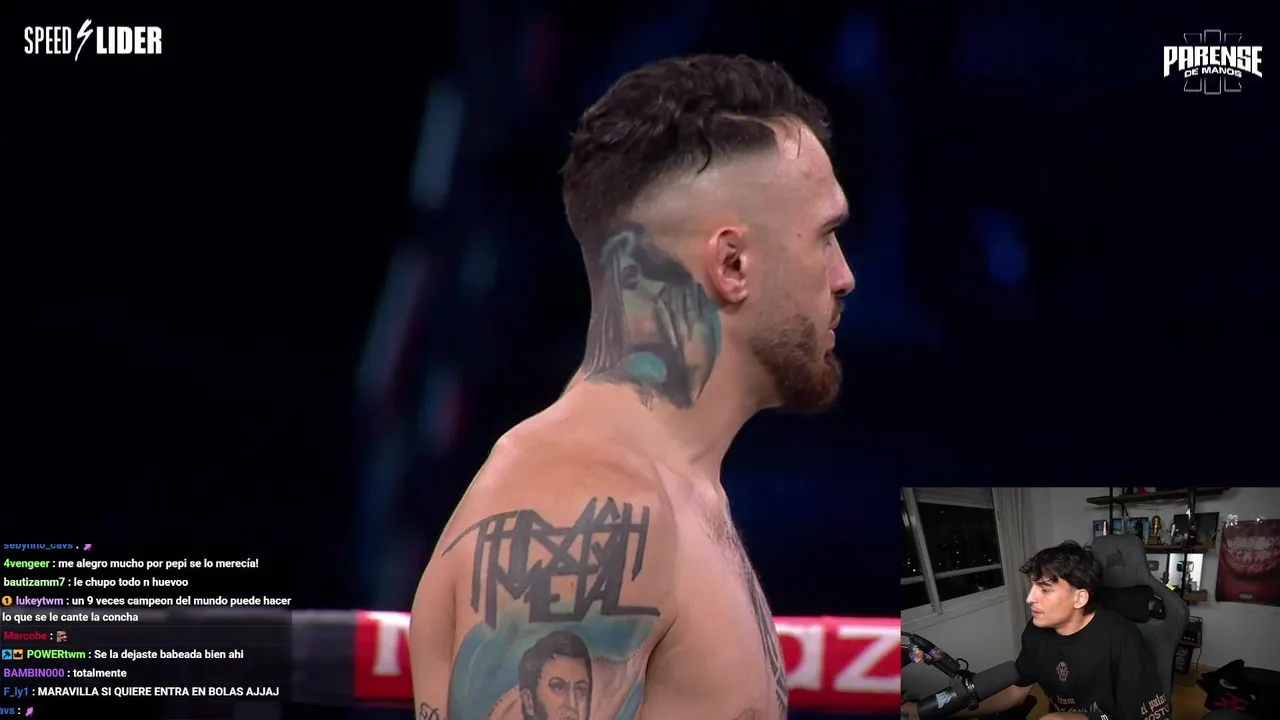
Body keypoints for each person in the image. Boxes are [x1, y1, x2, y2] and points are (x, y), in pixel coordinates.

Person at [409, 54, 854, 720]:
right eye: (826, 237)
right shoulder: (585, 505)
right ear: (732, 264)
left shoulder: (666, 492)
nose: (844, 276)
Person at [902, 541, 1168, 720]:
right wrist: (933, 711)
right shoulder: (1036, 633)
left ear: (1079, 598)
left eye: (1045, 589)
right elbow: (1015, 694)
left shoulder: (1121, 639)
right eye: (1032, 586)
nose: (1030, 598)